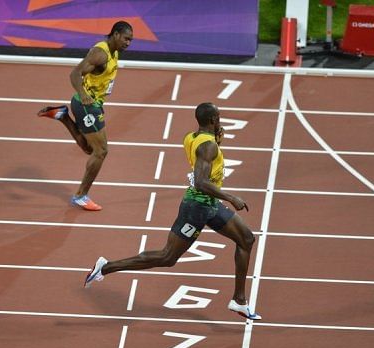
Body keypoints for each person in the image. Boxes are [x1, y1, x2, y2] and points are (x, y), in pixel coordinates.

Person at [83, 102, 261, 320]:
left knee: (246, 239)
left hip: (210, 205)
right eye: (219, 116)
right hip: (196, 207)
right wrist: (232, 197)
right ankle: (106, 267)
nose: (221, 119)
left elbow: (207, 162)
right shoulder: (208, 146)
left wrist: (217, 140)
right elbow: (201, 183)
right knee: (167, 257)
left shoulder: (192, 137)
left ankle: (239, 300)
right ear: (213, 120)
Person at [37, 21, 134, 211]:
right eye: (126, 38)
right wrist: (83, 95)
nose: (128, 43)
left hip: (93, 104)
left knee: (89, 149)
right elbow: (75, 74)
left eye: (131, 40)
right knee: (101, 151)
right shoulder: (100, 54)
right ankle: (81, 196)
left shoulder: (113, 50)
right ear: (115, 34)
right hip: (86, 105)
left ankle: (62, 116)